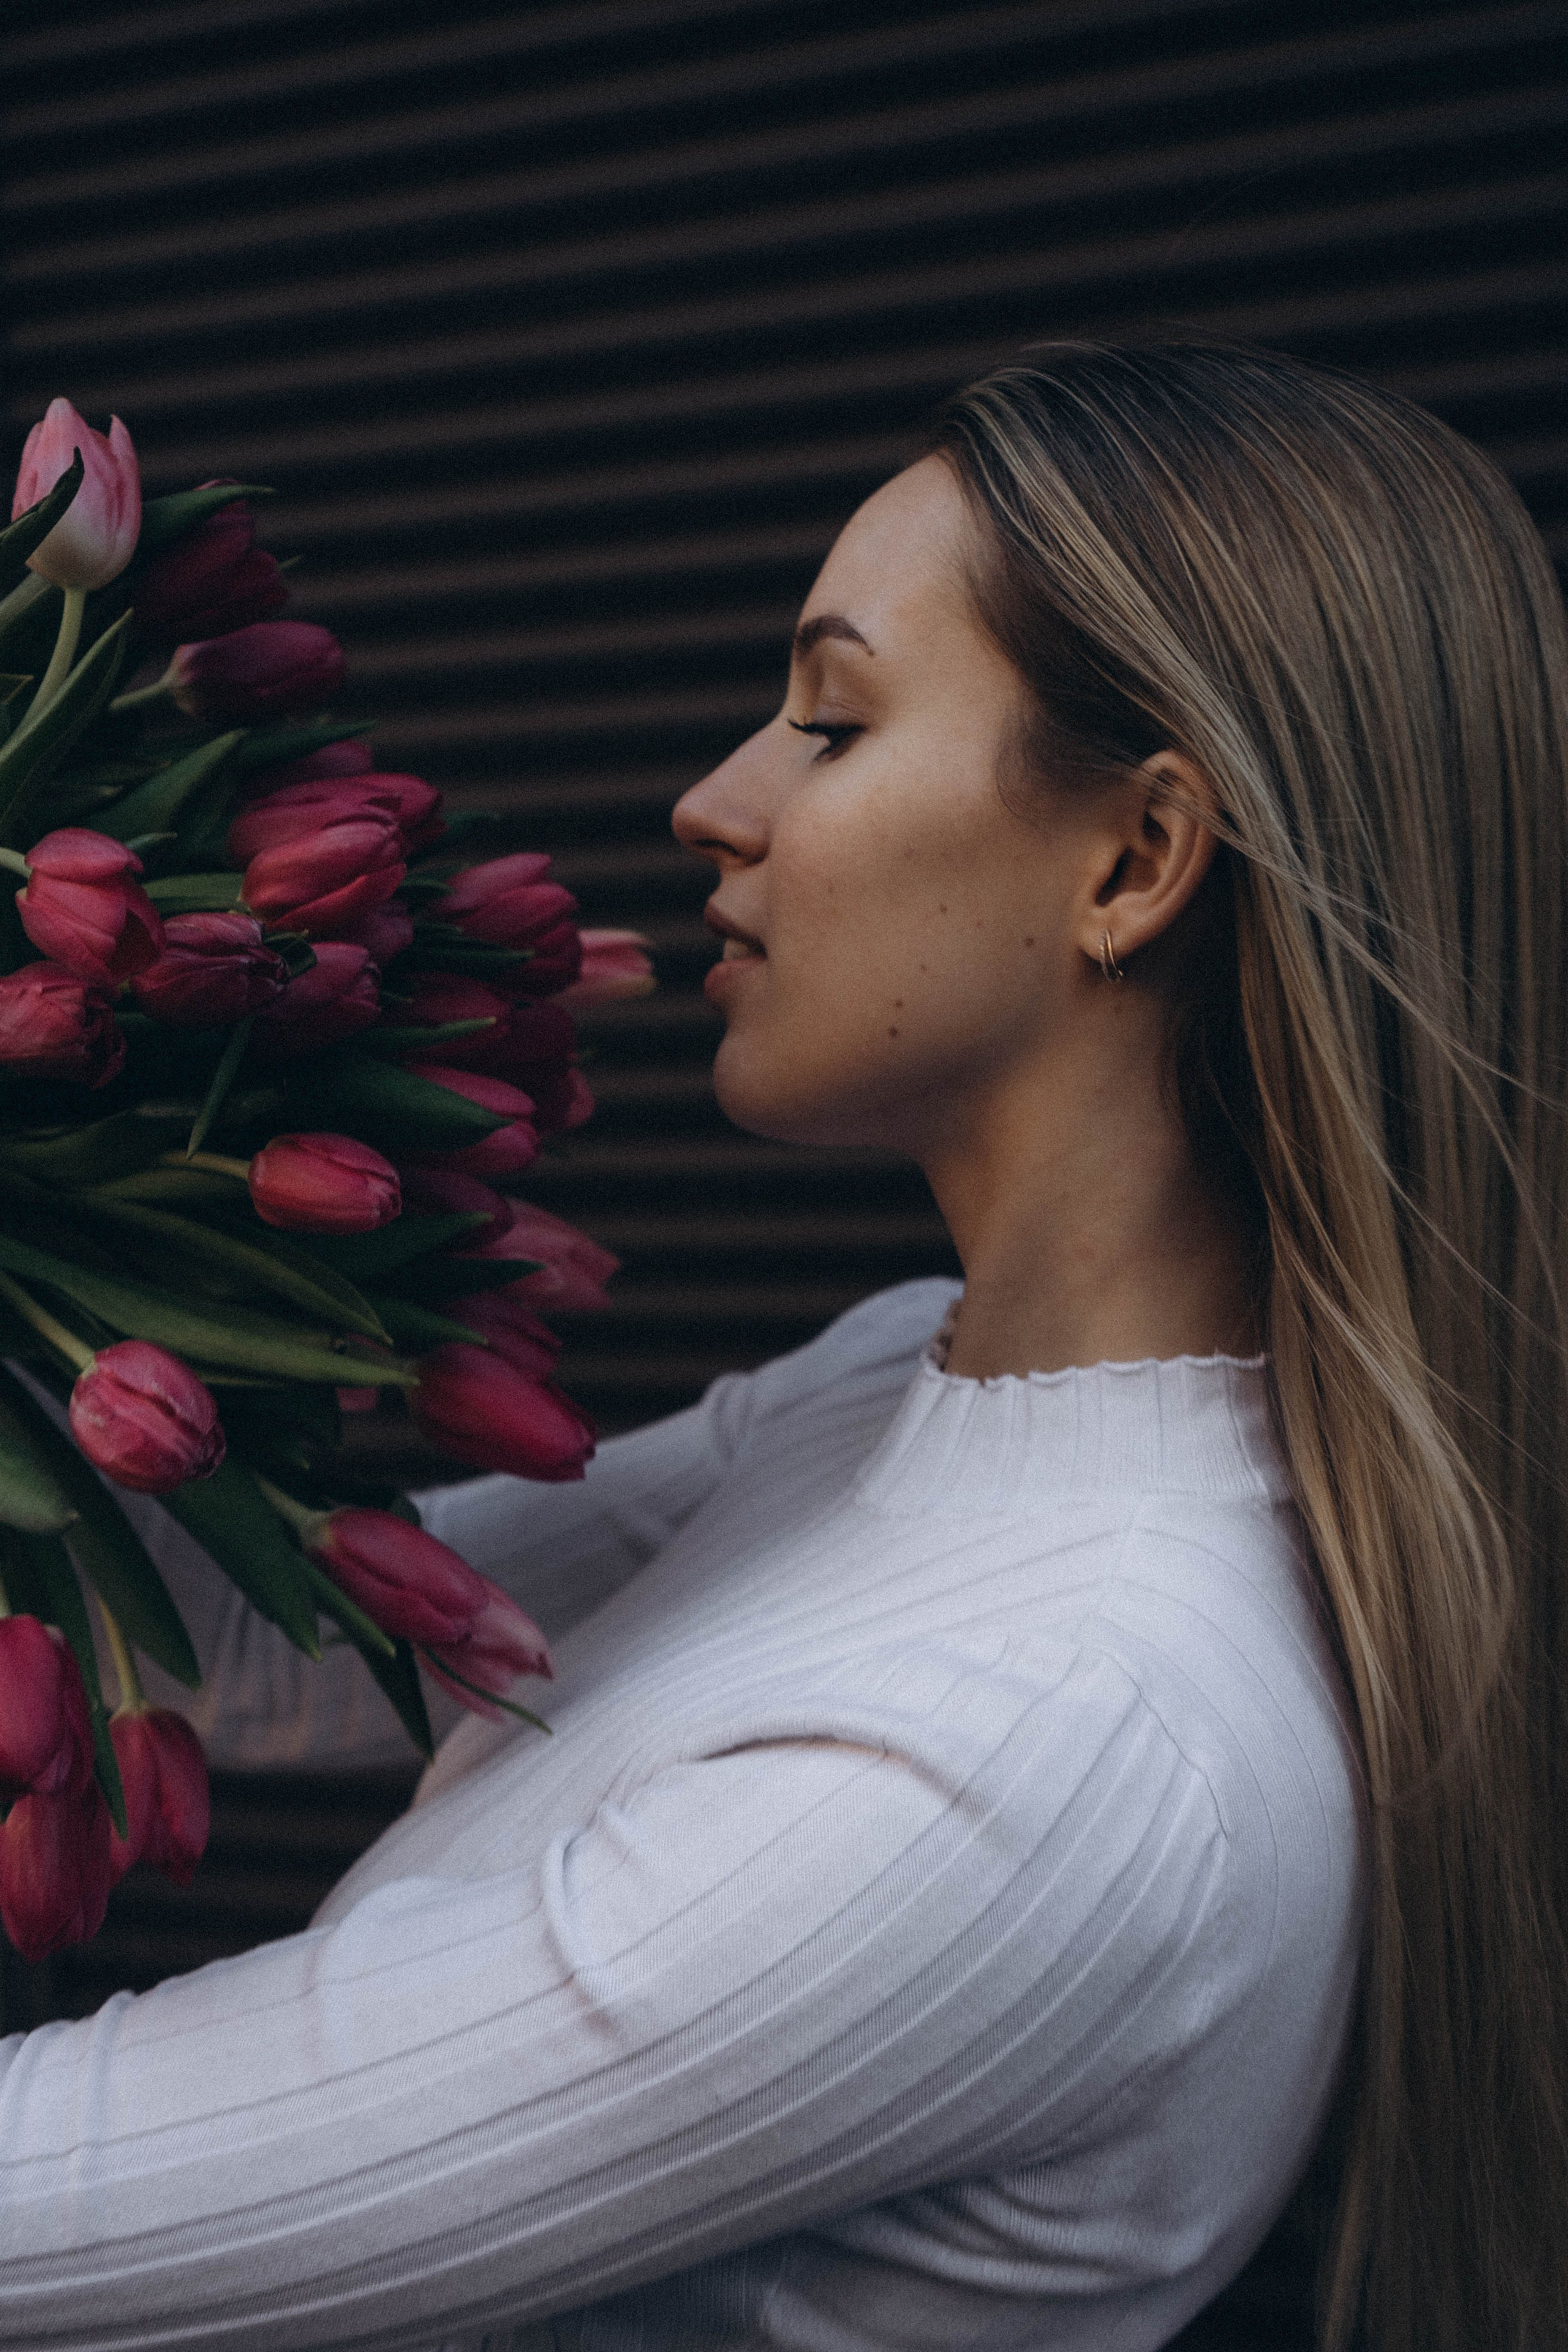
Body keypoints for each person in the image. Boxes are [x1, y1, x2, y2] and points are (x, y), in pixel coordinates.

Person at [1, 340, 1565, 2352]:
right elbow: (264, 1635)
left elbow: (61, 2206)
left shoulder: (1049, 1752)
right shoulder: (909, 1384)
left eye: (832, 722)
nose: (715, 799)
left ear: (1135, 861)